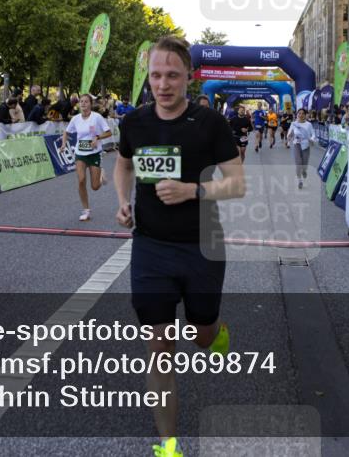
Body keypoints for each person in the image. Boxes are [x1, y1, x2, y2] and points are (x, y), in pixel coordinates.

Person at [113, 36, 244, 457]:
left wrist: (193, 191)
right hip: (150, 247)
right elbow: (123, 163)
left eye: (172, 75)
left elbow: (237, 184)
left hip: (202, 245)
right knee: (159, 346)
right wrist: (121, 202)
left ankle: (215, 330)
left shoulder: (210, 124)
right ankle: (168, 445)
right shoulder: (134, 123)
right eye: (155, 75)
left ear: (190, 76)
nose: (163, 84)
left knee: (200, 337)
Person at [63, 93, 113, 221]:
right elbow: (66, 132)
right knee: (81, 180)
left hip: (94, 153)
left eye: (86, 101)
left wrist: (97, 137)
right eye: (81, 101)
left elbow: (108, 132)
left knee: (95, 187)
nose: (83, 104)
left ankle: (101, 173)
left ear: (90, 104)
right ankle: (86, 210)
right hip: (80, 153)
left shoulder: (97, 117)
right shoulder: (75, 119)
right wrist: (63, 144)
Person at [287, 108, 316, 188]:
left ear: (305, 115)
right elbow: (290, 133)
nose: (301, 115)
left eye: (303, 113)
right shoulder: (294, 124)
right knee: (298, 163)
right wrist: (289, 136)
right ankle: (299, 181)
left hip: (306, 145)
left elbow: (313, 134)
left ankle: (304, 171)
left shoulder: (308, 124)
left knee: (304, 163)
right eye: (299, 113)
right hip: (297, 144)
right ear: (297, 114)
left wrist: (312, 139)